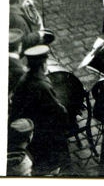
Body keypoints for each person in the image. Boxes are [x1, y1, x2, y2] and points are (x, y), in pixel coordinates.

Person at [9, 45, 70, 176]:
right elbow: (58, 110)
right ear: (43, 64)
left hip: (30, 127)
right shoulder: (42, 84)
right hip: (43, 131)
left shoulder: (24, 78)